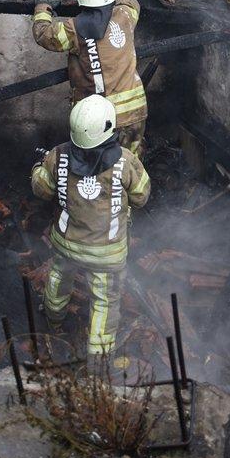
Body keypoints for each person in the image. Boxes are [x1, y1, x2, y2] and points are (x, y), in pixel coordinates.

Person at [31, 95, 150, 364]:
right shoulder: (126, 161)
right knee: (105, 300)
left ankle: (53, 320)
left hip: (66, 244)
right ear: (109, 127)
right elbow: (142, 196)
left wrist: (38, 167)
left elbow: (42, 189)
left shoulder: (58, 154)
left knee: (59, 276)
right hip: (106, 253)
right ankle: (98, 358)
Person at [32, 0, 147, 156]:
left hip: (96, 120)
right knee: (129, 166)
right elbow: (131, 2)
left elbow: (44, 35)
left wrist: (42, 9)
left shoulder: (74, 29)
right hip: (134, 112)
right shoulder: (126, 15)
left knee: (97, 167)